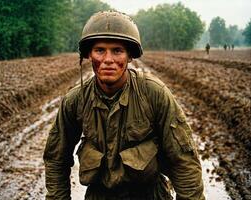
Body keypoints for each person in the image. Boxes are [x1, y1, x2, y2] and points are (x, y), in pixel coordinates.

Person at [43, 11, 205, 200]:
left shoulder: (154, 94)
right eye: (100, 50)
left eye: (117, 51)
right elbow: (56, 159)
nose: (108, 59)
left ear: (129, 56)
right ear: (89, 55)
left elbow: (183, 159)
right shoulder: (76, 100)